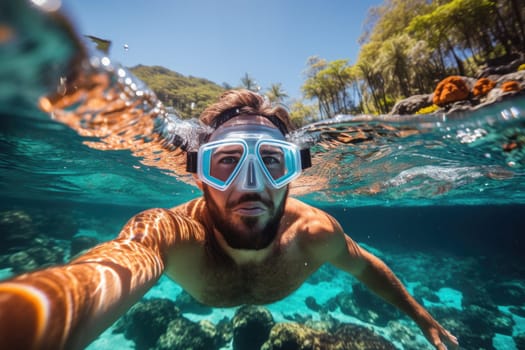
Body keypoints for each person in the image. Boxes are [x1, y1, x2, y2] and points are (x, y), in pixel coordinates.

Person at [0, 89, 459, 350]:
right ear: (198, 174)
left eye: (273, 163)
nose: (252, 183)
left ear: (291, 175)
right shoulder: (169, 233)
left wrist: (421, 317)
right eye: (227, 161)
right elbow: (104, 272)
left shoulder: (314, 232)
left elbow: (365, 265)